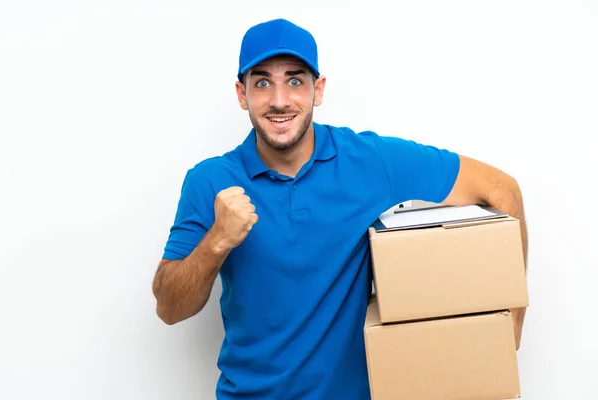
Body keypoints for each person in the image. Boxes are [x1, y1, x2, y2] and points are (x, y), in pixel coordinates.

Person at [152, 18, 528, 400]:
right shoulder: (210, 180)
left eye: (295, 80)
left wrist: (511, 326)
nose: (279, 100)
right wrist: (216, 241)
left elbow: (501, 189)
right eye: (262, 82)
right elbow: (169, 307)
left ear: (318, 90)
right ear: (241, 94)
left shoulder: (370, 161)